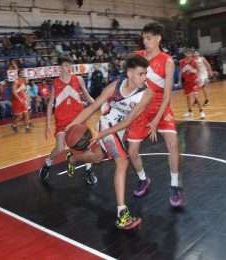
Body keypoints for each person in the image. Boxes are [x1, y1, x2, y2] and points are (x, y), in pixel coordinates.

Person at [66, 55, 153, 230]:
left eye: (146, 73)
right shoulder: (114, 87)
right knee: (122, 162)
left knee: (98, 158)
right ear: (129, 73)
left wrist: (102, 134)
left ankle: (73, 158)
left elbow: (128, 122)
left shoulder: (146, 94)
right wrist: (72, 125)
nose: (144, 77)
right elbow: (92, 107)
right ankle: (122, 214)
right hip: (106, 125)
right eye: (140, 74)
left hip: (116, 130)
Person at [126, 22, 184, 208]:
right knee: (131, 152)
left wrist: (156, 120)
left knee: (173, 144)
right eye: (143, 37)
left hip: (161, 108)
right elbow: (129, 84)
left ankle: (175, 185)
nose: (145, 41)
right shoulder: (137, 57)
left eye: (149, 38)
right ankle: (144, 179)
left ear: (158, 38)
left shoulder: (167, 61)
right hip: (141, 109)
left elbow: (167, 95)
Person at [38, 56, 97, 185]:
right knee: (59, 148)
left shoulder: (78, 79)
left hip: (78, 120)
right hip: (62, 122)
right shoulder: (55, 83)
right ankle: (47, 164)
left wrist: (100, 104)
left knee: (85, 147)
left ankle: (89, 171)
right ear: (60, 67)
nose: (68, 68)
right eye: (65, 65)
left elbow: (87, 96)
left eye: (70, 65)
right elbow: (50, 105)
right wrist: (47, 124)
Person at [181, 49, 206, 119]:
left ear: (191, 54)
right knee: (188, 97)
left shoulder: (194, 61)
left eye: (190, 53)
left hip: (193, 81)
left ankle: (202, 112)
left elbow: (198, 70)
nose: (188, 54)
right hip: (186, 82)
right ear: (185, 53)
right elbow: (181, 71)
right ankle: (190, 111)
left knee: (196, 97)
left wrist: (197, 76)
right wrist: (181, 80)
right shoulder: (182, 62)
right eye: (187, 53)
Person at [11, 69, 31, 133]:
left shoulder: (23, 81)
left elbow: (24, 91)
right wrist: (20, 99)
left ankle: (27, 127)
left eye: (23, 73)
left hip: (23, 100)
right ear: (19, 74)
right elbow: (14, 92)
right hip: (17, 100)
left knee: (26, 113)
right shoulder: (16, 81)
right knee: (20, 116)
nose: (22, 74)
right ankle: (14, 125)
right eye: (21, 73)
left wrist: (26, 99)